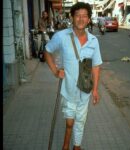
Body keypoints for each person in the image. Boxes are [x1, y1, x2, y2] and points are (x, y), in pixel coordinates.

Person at [44, 2, 103, 150]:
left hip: (85, 88)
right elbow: (47, 50)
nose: (81, 19)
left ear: (89, 19)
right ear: (72, 17)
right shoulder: (61, 36)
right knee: (70, 122)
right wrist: (55, 71)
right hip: (69, 89)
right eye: (78, 15)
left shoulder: (93, 41)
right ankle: (65, 145)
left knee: (80, 121)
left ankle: (76, 146)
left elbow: (96, 66)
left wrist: (95, 89)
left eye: (84, 16)